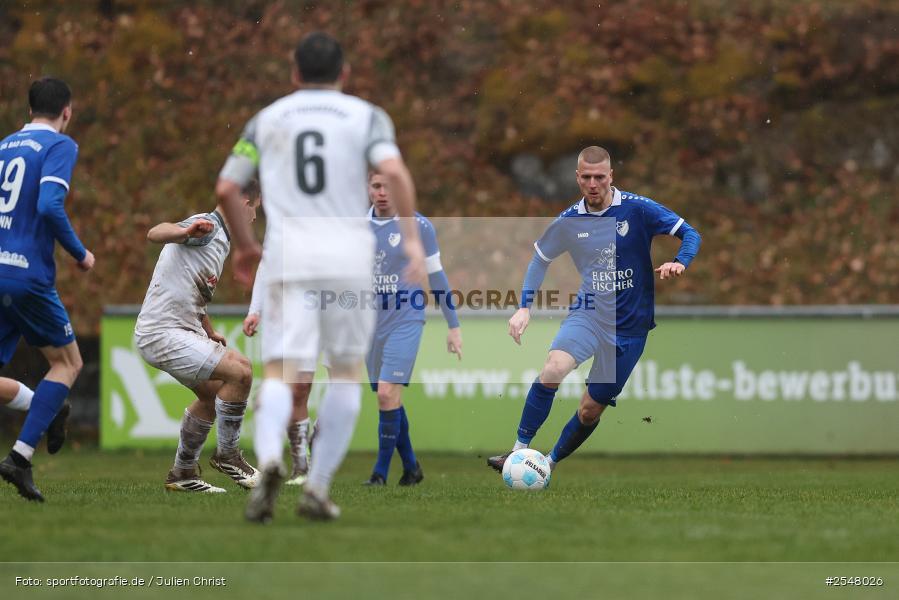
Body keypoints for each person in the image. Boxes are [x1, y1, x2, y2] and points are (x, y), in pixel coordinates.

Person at [217, 32, 426, 523]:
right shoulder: (366, 116)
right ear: (344, 73)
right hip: (348, 257)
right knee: (346, 374)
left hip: (289, 256)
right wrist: (412, 240)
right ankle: (317, 487)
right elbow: (395, 172)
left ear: (294, 73)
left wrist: (246, 246)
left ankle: (271, 459)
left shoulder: (267, 119)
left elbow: (226, 187)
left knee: (279, 372)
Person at [487, 146, 701, 471]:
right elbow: (540, 260)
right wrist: (524, 307)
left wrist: (679, 261)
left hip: (630, 328)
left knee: (589, 411)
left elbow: (690, 234)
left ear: (611, 176)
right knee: (553, 369)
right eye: (586, 177)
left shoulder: (638, 209)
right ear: (577, 178)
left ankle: (547, 464)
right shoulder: (569, 221)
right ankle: (517, 452)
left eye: (599, 177)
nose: (592, 184)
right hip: (588, 315)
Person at [0, 77, 93, 502]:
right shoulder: (60, 145)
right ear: (66, 112)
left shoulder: (4, 146)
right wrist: (80, 253)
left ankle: (45, 407)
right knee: (68, 363)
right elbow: (49, 205)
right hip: (26, 274)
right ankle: (19, 458)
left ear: (29, 109)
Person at [134, 183, 261, 493]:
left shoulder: (221, 240)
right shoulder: (207, 228)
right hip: (162, 332)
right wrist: (184, 231)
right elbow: (155, 232)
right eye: (255, 209)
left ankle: (183, 472)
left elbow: (192, 291)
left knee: (214, 396)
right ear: (243, 203)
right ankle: (228, 455)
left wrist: (209, 330)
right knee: (241, 371)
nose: (255, 217)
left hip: (176, 330)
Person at [363, 172, 462, 486]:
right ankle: (411, 467)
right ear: (368, 188)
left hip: (407, 317)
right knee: (388, 398)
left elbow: (436, 276)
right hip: (368, 323)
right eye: (377, 186)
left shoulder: (418, 226)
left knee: (386, 393)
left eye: (389, 186)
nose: (383, 192)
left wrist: (453, 325)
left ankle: (379, 474)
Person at [243, 257, 312, 487]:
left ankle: (322, 434)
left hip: (320, 310)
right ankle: (300, 466)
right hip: (283, 315)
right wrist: (255, 310)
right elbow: (265, 264)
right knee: (297, 388)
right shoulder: (280, 235)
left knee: (336, 384)